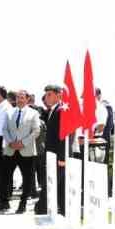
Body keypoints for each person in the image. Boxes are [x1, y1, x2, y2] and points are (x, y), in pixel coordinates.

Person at [3, 89, 42, 214]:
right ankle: (4, 202)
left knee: (28, 179)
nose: (19, 99)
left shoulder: (33, 113)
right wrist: (10, 142)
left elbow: (36, 131)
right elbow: (5, 129)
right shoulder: (9, 112)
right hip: (10, 150)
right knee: (5, 177)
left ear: (27, 99)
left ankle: (23, 203)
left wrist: (22, 143)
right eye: (18, 97)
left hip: (27, 151)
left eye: (22, 97)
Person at [39, 84, 66, 215]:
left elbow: (63, 135)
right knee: (59, 188)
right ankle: (63, 212)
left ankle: (41, 211)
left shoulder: (61, 110)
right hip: (51, 156)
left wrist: (61, 157)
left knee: (49, 186)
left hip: (57, 157)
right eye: (46, 94)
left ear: (58, 95)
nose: (47, 97)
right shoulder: (52, 110)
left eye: (50, 94)